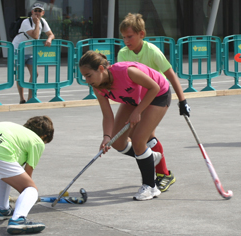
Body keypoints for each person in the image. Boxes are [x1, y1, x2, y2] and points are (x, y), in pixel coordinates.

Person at [79, 50, 170, 201]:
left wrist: (138, 111)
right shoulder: (98, 87)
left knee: (138, 140)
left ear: (101, 69)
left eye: (89, 75)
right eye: (84, 77)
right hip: (133, 99)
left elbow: (154, 88)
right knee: (118, 142)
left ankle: (151, 187)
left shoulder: (126, 72)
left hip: (158, 94)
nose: (87, 80)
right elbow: (108, 115)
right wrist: (106, 137)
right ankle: (148, 157)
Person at [117, 13, 190, 192]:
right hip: (137, 98)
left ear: (141, 34)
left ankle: (164, 174)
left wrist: (183, 101)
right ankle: (152, 159)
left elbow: (171, 74)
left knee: (144, 136)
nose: (126, 40)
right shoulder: (123, 53)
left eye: (130, 36)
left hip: (157, 96)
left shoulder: (152, 51)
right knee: (130, 138)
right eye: (124, 37)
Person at [0, 116, 54, 235]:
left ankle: (1, 209)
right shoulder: (37, 141)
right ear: (44, 136)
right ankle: (18, 220)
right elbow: (27, 176)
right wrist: (28, 198)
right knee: (31, 189)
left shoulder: (13, 129)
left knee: (5, 173)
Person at [12, 2, 55, 104]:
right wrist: (36, 24)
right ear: (32, 12)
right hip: (19, 49)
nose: (37, 13)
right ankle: (22, 99)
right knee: (20, 75)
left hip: (31, 51)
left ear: (43, 13)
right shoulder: (26, 22)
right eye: (35, 10)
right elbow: (35, 36)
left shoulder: (43, 21)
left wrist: (49, 39)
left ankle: (30, 98)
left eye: (39, 11)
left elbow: (51, 34)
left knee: (35, 74)